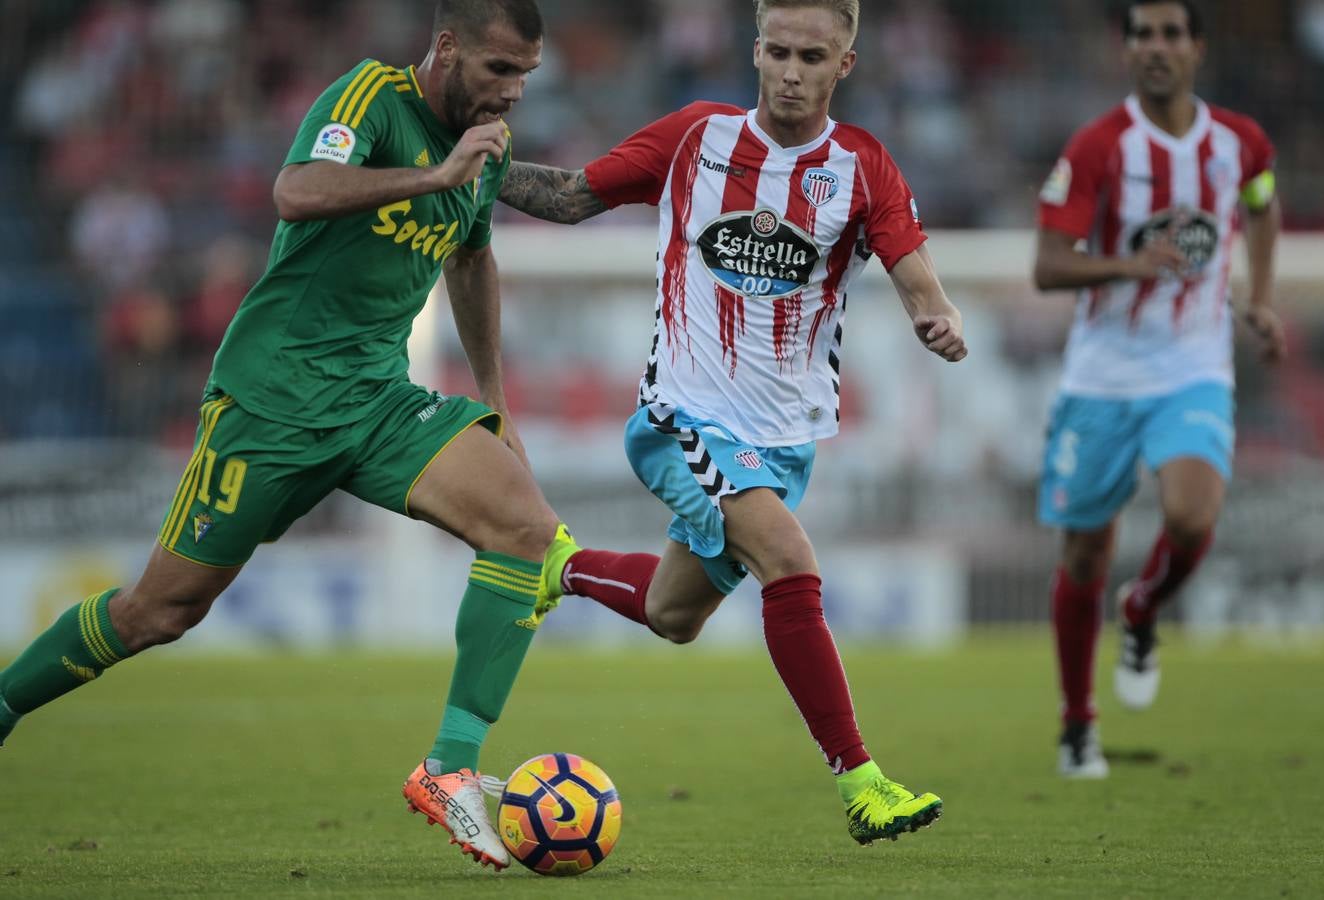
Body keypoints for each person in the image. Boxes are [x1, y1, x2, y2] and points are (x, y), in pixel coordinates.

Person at [0, 0, 580, 871]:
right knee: (159, 611)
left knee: (526, 529)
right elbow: (296, 191)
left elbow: (470, 258)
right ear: (448, 47)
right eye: (499, 70)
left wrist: (498, 407)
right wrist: (433, 174)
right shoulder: (369, 100)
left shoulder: (481, 144)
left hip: (377, 400)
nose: (512, 92)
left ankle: (449, 767)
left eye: (525, 77)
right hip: (271, 402)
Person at [498, 0, 965, 845]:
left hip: (783, 440)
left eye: (812, 56)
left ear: (844, 65)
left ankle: (555, 568)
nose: (791, 70)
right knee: (789, 561)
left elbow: (910, 263)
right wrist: (470, 167)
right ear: (755, 51)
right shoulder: (695, 137)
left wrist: (937, 317)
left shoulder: (862, 166)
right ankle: (864, 784)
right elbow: (571, 197)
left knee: (675, 615)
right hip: (682, 415)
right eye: (778, 51)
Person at [1032, 0, 1285, 778]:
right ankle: (1079, 724)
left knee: (1191, 511)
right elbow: (1048, 265)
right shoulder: (1100, 147)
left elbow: (1264, 202)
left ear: (1197, 47)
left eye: (1172, 33)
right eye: (1142, 34)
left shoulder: (1239, 143)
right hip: (1103, 374)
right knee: (1083, 557)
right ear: (1127, 48)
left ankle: (1141, 607)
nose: (1156, 47)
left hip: (1192, 367)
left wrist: (1262, 295)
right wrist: (1127, 267)